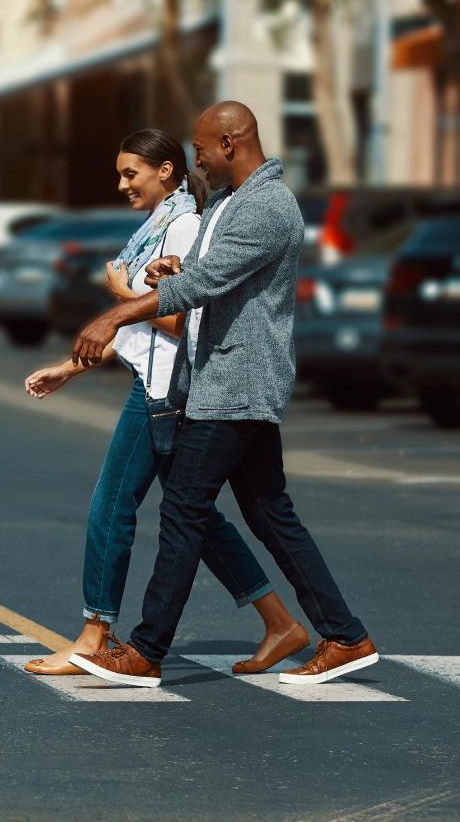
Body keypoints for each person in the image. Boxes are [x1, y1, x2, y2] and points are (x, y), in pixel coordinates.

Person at [68, 102, 378, 688]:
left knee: (184, 510)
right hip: (226, 380)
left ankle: (146, 649)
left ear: (232, 143)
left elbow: (208, 284)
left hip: (236, 384)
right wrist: (176, 266)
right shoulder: (235, 203)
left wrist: (116, 314)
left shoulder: (268, 205)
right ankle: (346, 636)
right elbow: (213, 273)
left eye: (204, 147)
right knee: (270, 514)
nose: (198, 158)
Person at [20, 130, 307, 677]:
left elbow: (183, 322)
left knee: (112, 506)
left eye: (132, 174)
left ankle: (92, 636)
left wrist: (123, 297)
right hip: (154, 382)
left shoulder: (185, 225)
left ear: (166, 172)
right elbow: (138, 332)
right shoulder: (162, 224)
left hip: (167, 390)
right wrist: (68, 368)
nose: (122, 184)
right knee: (193, 514)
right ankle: (280, 623)